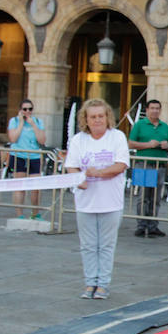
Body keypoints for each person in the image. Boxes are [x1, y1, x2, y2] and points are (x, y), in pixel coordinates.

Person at [65, 99, 130, 300]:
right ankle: (89, 282)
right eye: (93, 117)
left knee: (106, 245)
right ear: (86, 119)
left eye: (101, 116)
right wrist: (79, 179)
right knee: (88, 245)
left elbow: (120, 165)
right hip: (86, 201)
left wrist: (98, 172)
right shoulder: (78, 140)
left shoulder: (117, 137)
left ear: (107, 117)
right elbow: (71, 166)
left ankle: (103, 284)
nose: (97, 120)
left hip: (111, 201)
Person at [128, 99, 168, 237]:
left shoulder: (165, 126)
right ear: (147, 110)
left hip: (159, 166)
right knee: (143, 196)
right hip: (144, 164)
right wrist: (148, 145)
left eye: (157, 108)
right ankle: (141, 225)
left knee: (156, 197)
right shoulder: (139, 125)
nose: (155, 111)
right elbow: (130, 143)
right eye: (152, 108)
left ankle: (153, 225)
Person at [6, 99, 47, 219]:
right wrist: (21, 123)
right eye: (25, 109)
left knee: (35, 187)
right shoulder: (14, 121)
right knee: (20, 186)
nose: (27, 111)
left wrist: (33, 125)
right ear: (20, 110)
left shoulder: (38, 122)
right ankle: (19, 214)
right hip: (19, 155)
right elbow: (13, 139)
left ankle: (35, 213)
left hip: (34, 156)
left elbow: (42, 140)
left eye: (30, 109)